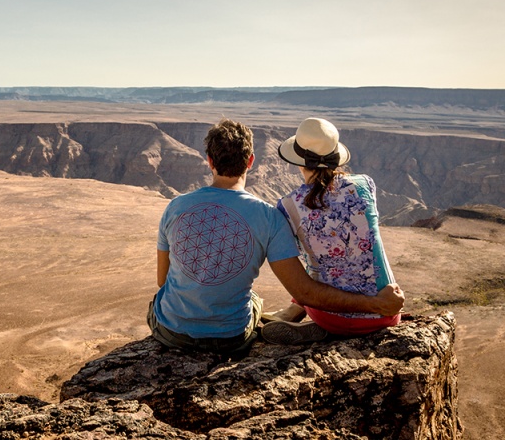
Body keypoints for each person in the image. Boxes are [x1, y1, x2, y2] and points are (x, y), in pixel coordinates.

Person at [147, 118, 405, 355]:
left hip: (173, 334)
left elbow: (162, 281)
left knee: (167, 299)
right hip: (233, 337)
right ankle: (290, 314)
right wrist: (378, 304)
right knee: (262, 296)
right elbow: (303, 288)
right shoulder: (273, 215)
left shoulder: (175, 207)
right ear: (250, 161)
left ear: (209, 161)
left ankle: (296, 316)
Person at [261, 117, 402, 345]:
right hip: (387, 310)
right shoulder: (365, 184)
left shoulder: (288, 206)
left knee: (315, 266)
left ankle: (318, 324)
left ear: (299, 162)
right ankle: (302, 315)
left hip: (330, 314)